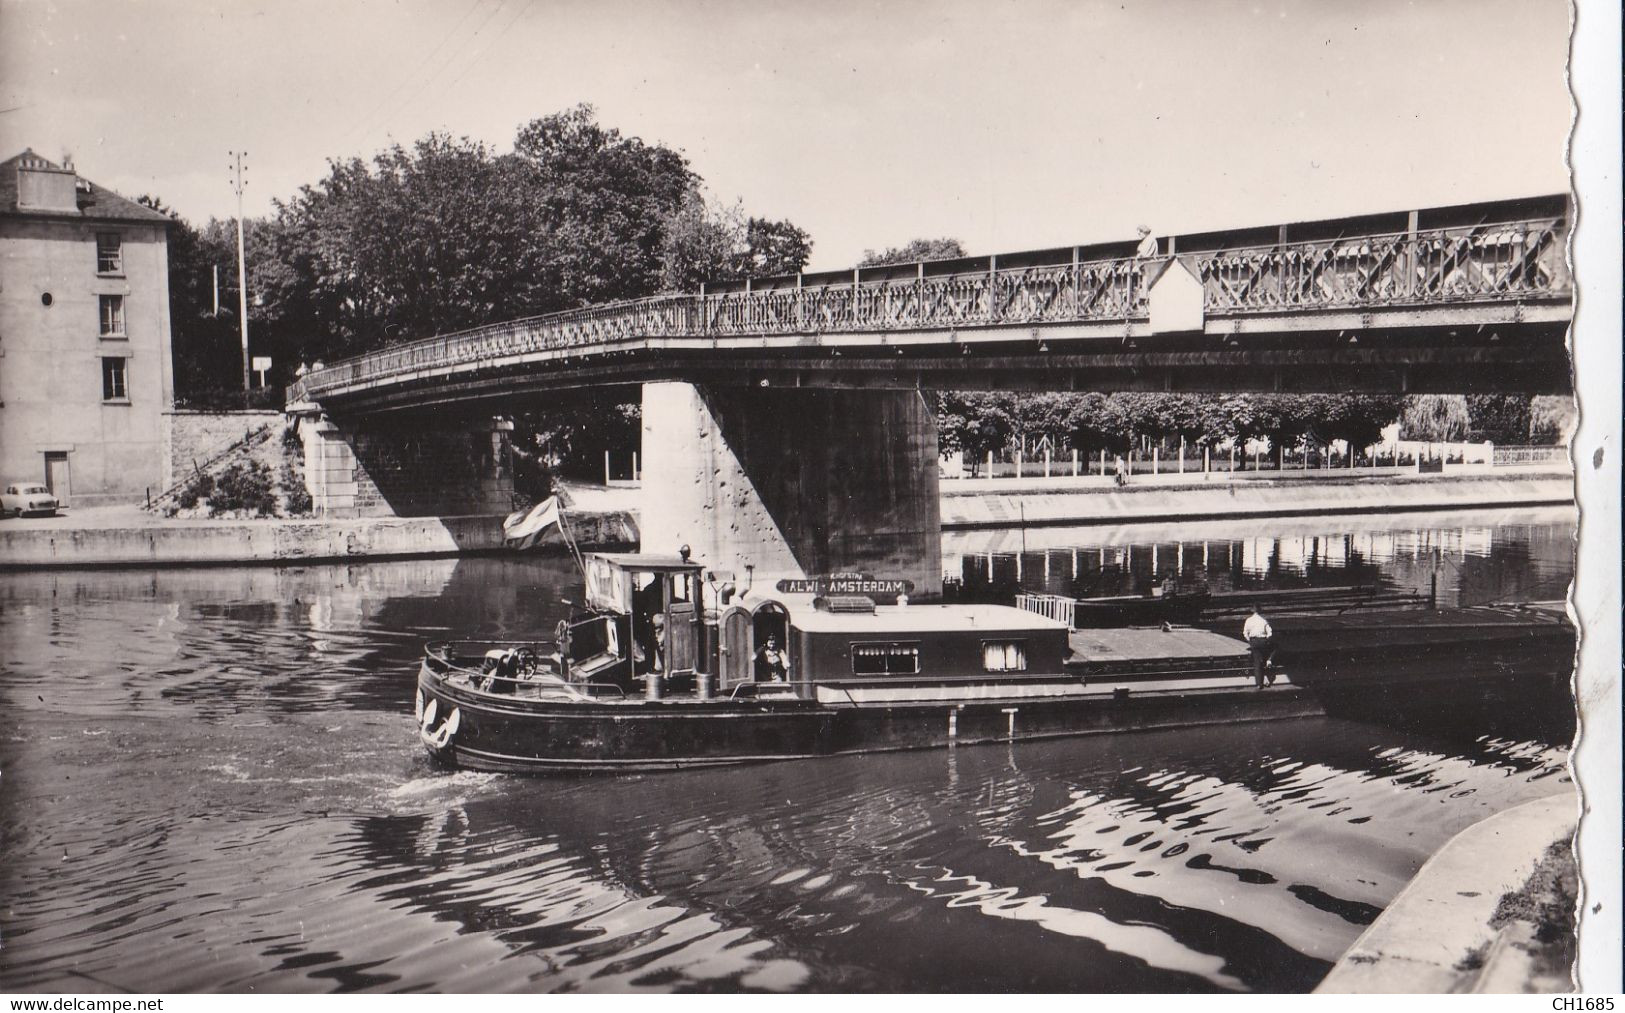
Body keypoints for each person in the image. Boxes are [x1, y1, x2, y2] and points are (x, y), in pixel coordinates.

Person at [1243, 606, 1275, 688]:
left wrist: (1249, 641)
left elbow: (1245, 633)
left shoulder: (1248, 620)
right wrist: (1267, 639)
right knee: (1271, 650)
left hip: (1254, 641)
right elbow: (1270, 633)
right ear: (1260, 611)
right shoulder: (1264, 620)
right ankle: (1269, 661)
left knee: (1257, 663)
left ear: (1252, 611)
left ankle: (1259, 684)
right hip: (1263, 641)